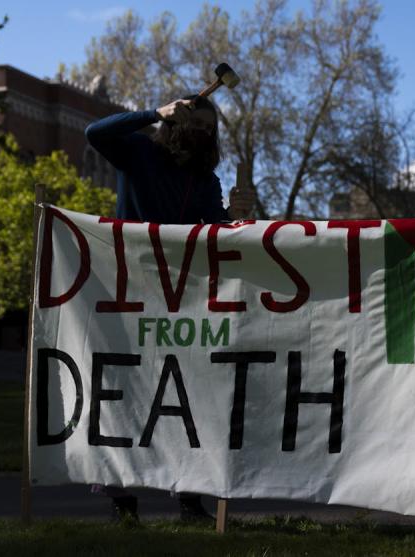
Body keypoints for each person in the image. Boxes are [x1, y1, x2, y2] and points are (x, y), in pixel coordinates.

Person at [85, 95, 256, 522]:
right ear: (173, 122)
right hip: (130, 290)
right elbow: (94, 133)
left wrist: (235, 218)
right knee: (126, 393)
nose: (201, 132)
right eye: (193, 122)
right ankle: (122, 497)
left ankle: (188, 494)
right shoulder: (139, 151)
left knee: (183, 393)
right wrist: (152, 114)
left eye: (208, 127)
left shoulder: (206, 180)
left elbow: (215, 236)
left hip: (178, 298)